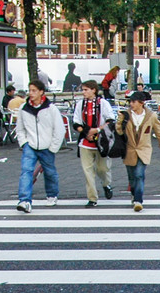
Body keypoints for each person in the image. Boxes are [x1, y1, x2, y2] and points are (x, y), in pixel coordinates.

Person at [14, 80, 65, 214]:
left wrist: (53, 147)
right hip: (30, 145)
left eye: (34, 91)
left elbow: (59, 129)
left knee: (50, 172)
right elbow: (19, 128)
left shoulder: (51, 108)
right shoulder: (24, 108)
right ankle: (24, 200)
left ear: (41, 92)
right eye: (29, 90)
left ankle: (52, 194)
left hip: (47, 145)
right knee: (26, 171)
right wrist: (24, 143)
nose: (31, 93)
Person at [116, 90, 160, 212]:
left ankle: (138, 200)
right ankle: (134, 193)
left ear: (141, 103)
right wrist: (120, 122)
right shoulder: (126, 115)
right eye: (130, 102)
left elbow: (158, 129)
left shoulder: (151, 116)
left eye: (134, 102)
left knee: (139, 174)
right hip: (129, 149)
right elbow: (119, 131)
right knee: (132, 176)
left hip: (144, 149)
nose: (131, 104)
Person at [72, 80, 116, 207]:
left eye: (86, 90)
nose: (83, 92)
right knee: (88, 171)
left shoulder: (103, 103)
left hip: (101, 141)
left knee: (103, 168)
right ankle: (92, 198)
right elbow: (76, 123)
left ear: (93, 90)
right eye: (83, 90)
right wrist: (87, 133)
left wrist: (96, 130)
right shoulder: (80, 104)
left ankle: (106, 184)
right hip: (85, 142)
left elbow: (110, 121)